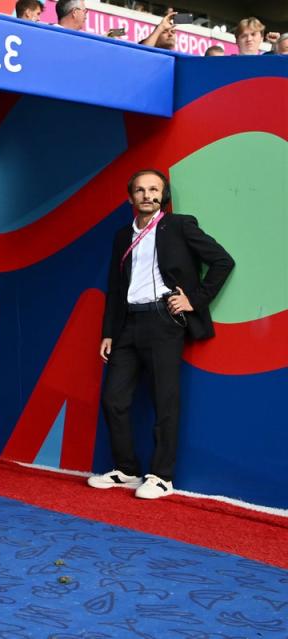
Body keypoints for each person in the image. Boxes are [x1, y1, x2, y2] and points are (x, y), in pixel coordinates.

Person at [90, 170, 234, 499]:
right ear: (130, 198)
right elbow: (115, 286)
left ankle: (161, 476)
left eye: (153, 189)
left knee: (164, 400)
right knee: (113, 398)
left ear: (163, 195)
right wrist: (109, 331)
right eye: (139, 190)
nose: (146, 195)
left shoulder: (178, 226)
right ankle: (126, 469)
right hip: (127, 324)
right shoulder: (120, 236)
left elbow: (223, 261)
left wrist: (193, 301)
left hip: (163, 321)